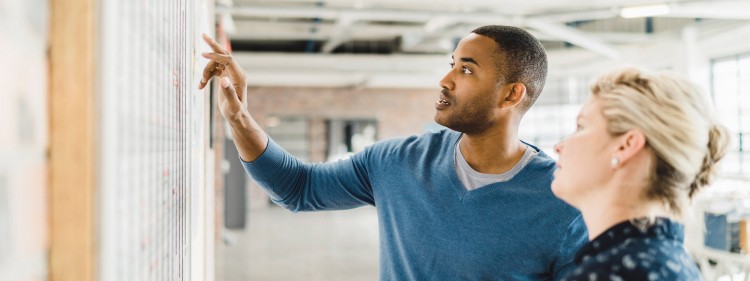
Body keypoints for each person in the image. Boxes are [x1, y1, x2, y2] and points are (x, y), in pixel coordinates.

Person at [199, 25, 588, 280]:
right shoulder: (397, 162)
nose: (446, 79)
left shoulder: (565, 204)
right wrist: (238, 117)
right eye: (451, 64)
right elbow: (298, 188)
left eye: (466, 70)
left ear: (511, 94)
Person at [552, 67, 731, 281]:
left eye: (581, 126)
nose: (559, 146)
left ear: (626, 145)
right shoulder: (672, 263)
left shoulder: (608, 273)